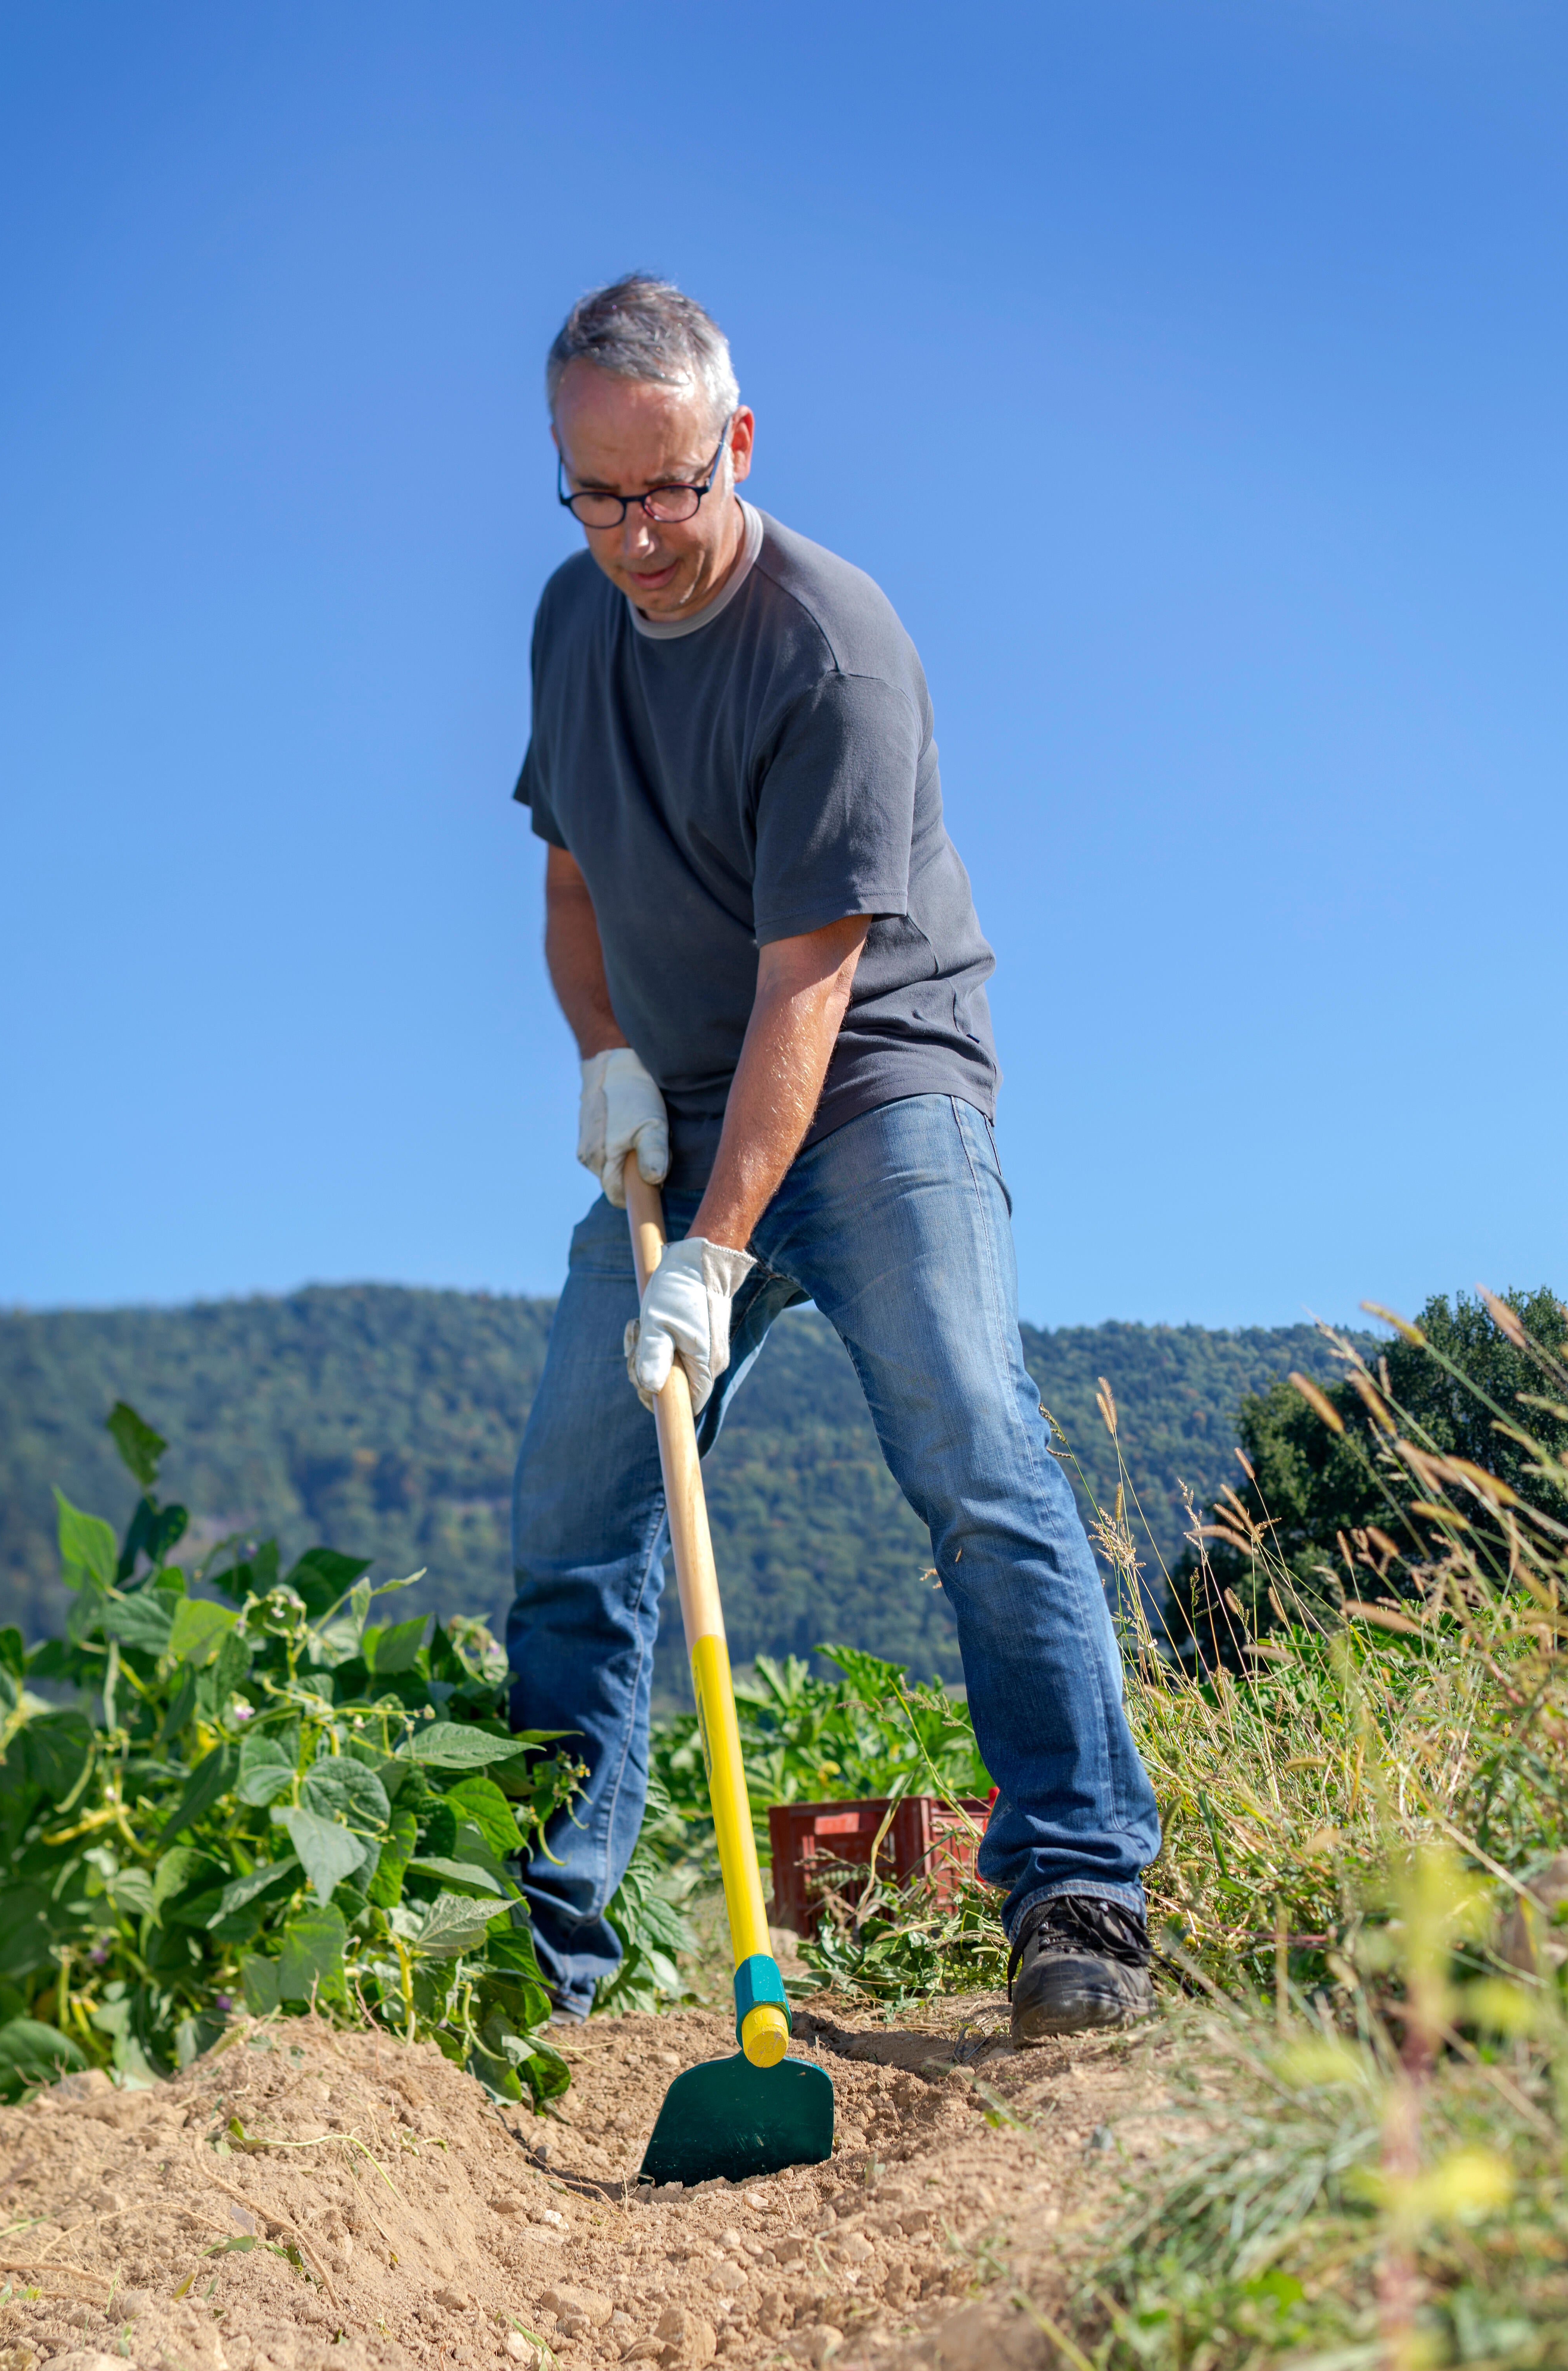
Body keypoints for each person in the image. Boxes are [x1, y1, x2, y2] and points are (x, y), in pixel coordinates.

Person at [506, 274, 1160, 2045]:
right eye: (595, 493)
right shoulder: (572, 624)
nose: (636, 535)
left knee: (970, 1441)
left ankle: (1081, 1882)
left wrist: (711, 1261)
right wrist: (610, 1061)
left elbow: (813, 992)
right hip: (683, 1110)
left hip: (874, 1086)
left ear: (736, 443)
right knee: (576, 1521)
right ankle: (536, 1958)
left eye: (668, 488)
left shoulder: (833, 645)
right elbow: (571, 879)